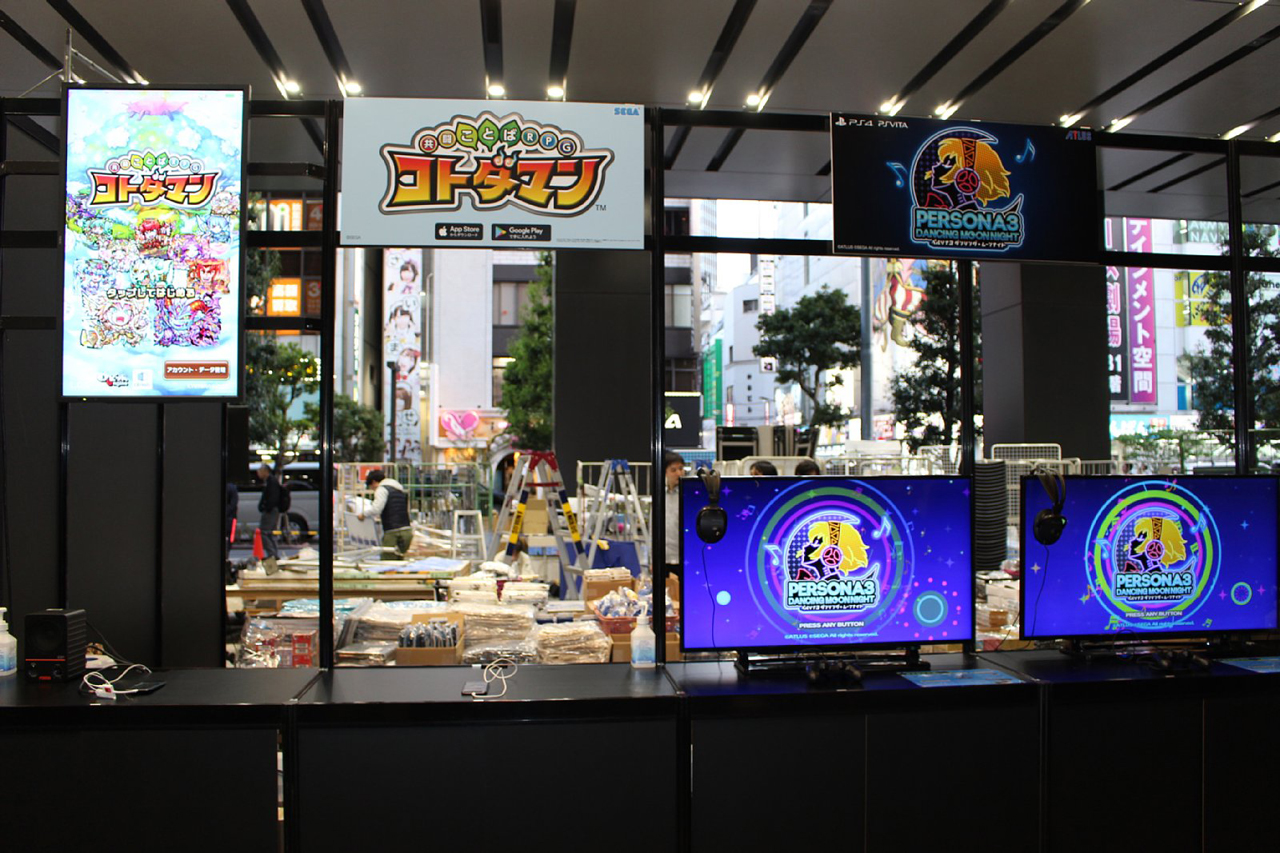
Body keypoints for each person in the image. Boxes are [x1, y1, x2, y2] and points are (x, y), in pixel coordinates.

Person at [360, 468, 413, 558]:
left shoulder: (381, 489)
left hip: (393, 532)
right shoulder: (398, 489)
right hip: (407, 530)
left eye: (371, 487)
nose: (373, 490)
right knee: (399, 560)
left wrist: (363, 514)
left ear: (374, 482)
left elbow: (376, 509)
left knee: (387, 561)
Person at [661, 451, 684, 578]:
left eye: (681, 469)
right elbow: (654, 528)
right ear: (665, 472)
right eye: (673, 470)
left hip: (684, 558)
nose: (679, 473)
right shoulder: (660, 496)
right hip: (664, 558)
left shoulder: (688, 495)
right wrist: (652, 558)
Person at [255, 464, 282, 573]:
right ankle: (274, 556)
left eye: (259, 470)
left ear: (265, 471)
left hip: (270, 511)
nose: (258, 473)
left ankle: (272, 555)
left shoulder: (271, 482)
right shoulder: (271, 481)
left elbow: (272, 498)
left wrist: (266, 507)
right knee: (270, 533)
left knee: (265, 533)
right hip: (271, 510)